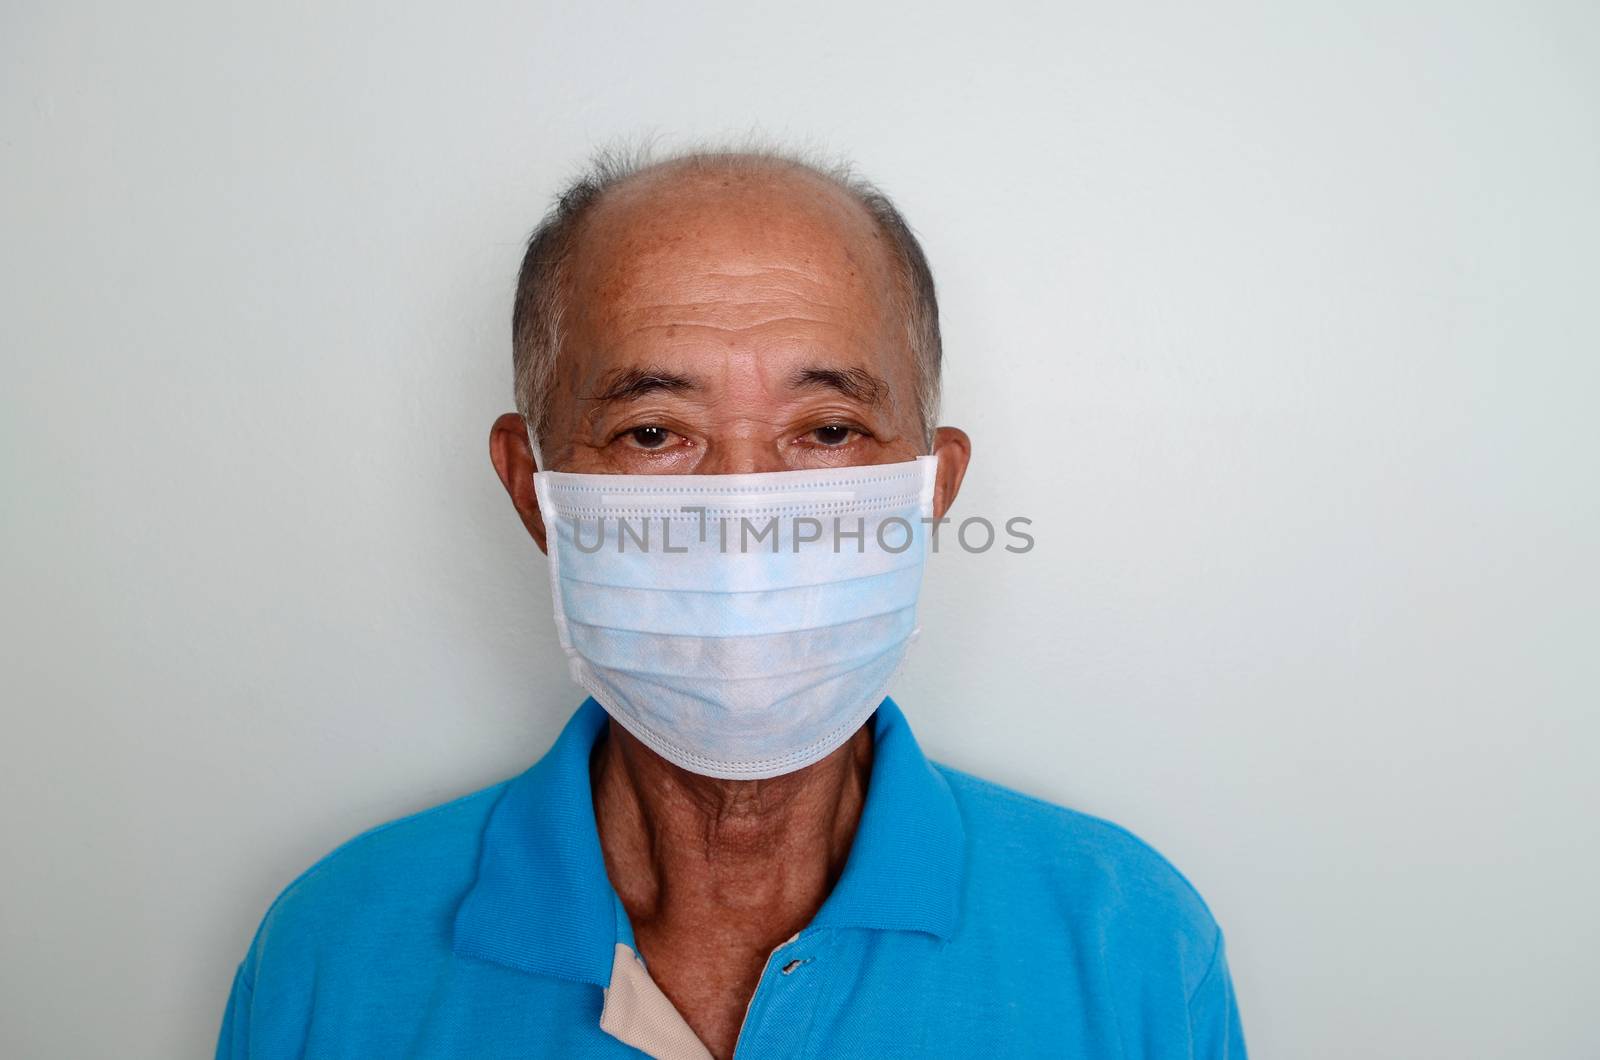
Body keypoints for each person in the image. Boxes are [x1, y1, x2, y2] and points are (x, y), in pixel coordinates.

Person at [215, 146, 1246, 1059]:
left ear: (929, 494)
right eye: (655, 431)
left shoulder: (1128, 942)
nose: (747, 518)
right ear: (535, 493)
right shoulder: (334, 952)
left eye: (829, 429)